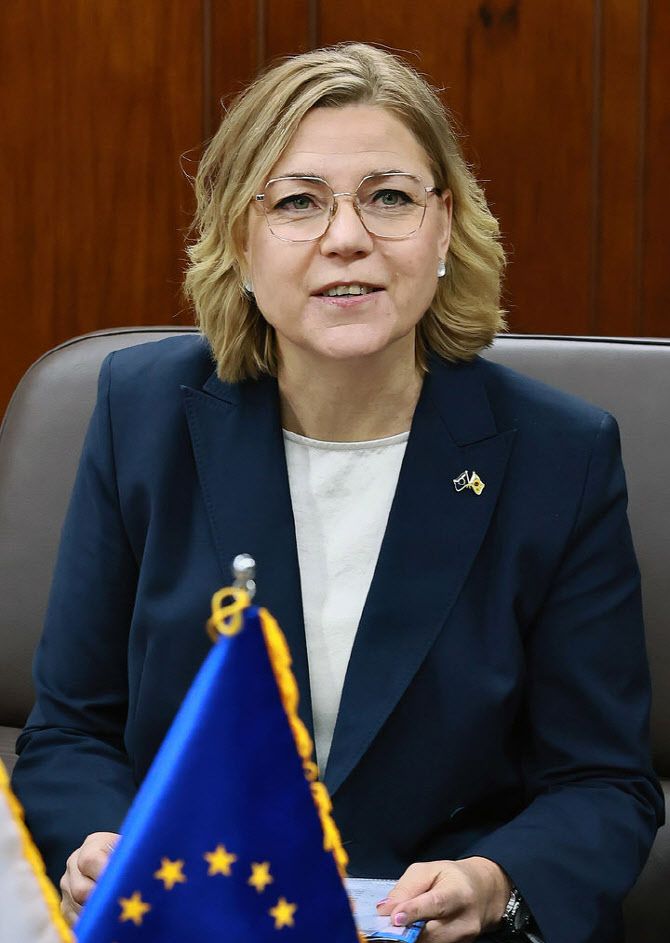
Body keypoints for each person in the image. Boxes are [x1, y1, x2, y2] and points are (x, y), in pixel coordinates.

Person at [11, 43, 662, 943]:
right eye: (298, 201)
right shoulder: (143, 413)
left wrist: (495, 881)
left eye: (389, 197)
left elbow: (603, 782)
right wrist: (99, 843)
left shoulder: (561, 455)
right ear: (240, 243)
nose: (347, 236)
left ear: (445, 228)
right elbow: (69, 732)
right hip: (197, 913)